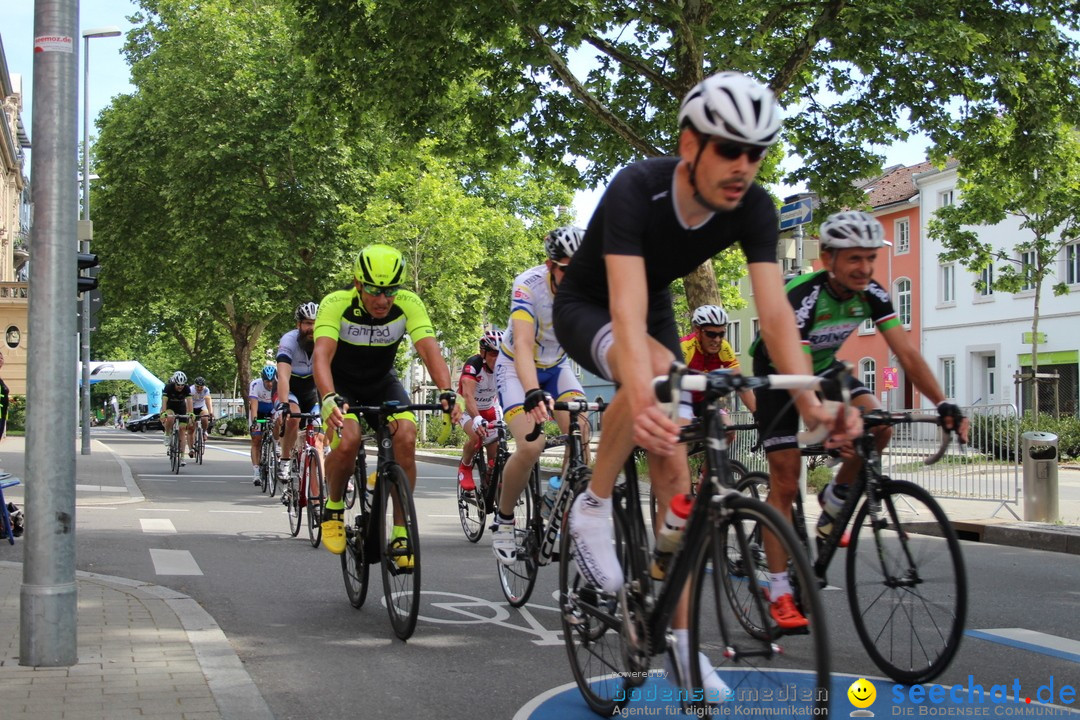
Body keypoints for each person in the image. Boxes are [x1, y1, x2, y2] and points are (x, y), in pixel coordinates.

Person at [551, 71, 857, 695]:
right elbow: (626, 315)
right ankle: (592, 505)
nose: (744, 165)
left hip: (653, 302)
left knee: (678, 481)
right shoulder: (639, 186)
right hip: (592, 302)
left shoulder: (755, 207)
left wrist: (810, 401)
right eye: (729, 149)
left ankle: (685, 652)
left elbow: (774, 315)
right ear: (691, 145)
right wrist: (643, 392)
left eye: (757, 152)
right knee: (659, 382)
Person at [750, 210, 969, 616]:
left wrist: (942, 403)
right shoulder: (803, 295)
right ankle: (779, 590)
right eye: (854, 258)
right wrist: (821, 418)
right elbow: (795, 370)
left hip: (823, 366)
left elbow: (906, 353)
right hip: (780, 374)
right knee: (784, 479)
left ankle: (835, 497)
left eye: (871, 257)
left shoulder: (873, 293)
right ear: (828, 257)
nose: (865, 267)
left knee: (879, 425)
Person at [314, 244, 460, 558]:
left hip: (381, 382)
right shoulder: (335, 304)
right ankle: (334, 507)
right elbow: (322, 357)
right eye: (373, 290)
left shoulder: (409, 304)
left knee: (406, 435)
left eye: (390, 291)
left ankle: (400, 531)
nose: (382, 300)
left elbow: (428, 350)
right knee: (349, 438)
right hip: (341, 386)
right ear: (357, 284)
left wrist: (447, 391)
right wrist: (328, 397)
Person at [491, 227, 590, 565]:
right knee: (531, 445)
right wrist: (532, 391)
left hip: (557, 366)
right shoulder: (528, 285)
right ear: (550, 265)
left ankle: (557, 495)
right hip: (518, 368)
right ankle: (504, 519)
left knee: (582, 433)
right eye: (567, 268)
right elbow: (521, 344)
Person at [275, 302, 322, 489]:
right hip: (292, 389)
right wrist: (284, 404)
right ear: (299, 325)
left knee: (322, 433)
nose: (311, 328)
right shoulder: (289, 341)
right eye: (307, 323)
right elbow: (283, 376)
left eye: (315, 323)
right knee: (293, 419)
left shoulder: (325, 340)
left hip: (313, 391)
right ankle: (285, 460)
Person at [680, 304, 756, 415]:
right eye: (711, 334)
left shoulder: (724, 347)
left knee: (728, 429)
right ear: (697, 330)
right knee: (684, 425)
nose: (717, 340)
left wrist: (758, 414)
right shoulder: (685, 348)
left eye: (721, 334)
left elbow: (739, 382)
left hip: (704, 402)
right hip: (682, 401)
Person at [456, 328, 503, 492]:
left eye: (501, 354)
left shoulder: (506, 366)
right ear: (483, 353)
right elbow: (468, 396)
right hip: (466, 408)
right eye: (493, 354)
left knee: (496, 456)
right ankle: (465, 466)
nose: (498, 359)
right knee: (477, 437)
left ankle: (492, 486)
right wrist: (476, 418)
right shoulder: (474, 364)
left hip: (490, 407)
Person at [248, 365, 277, 486]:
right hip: (258, 409)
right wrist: (255, 422)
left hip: (272, 408)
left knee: (279, 424)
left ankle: (276, 448)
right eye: (267, 381)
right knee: (256, 440)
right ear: (262, 379)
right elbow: (253, 406)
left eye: (272, 381)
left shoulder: (279, 384)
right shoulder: (255, 384)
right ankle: (256, 472)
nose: (270, 384)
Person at [161, 371, 194, 466]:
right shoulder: (168, 387)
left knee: (182, 430)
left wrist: (191, 413)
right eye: (178, 385)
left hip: (181, 408)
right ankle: (167, 434)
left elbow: (189, 400)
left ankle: (182, 457)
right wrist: (163, 412)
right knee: (170, 418)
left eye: (182, 385)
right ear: (174, 383)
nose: (180, 387)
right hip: (170, 406)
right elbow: (164, 400)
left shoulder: (186, 388)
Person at [187, 378, 214, 456]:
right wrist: (190, 414)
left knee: (205, 417)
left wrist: (211, 412)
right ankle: (191, 449)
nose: (199, 389)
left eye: (201, 387)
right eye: (197, 387)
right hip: (192, 407)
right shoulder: (190, 389)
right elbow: (189, 402)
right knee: (191, 428)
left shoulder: (206, 390)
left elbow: (208, 401)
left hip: (201, 406)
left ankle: (204, 431)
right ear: (195, 385)